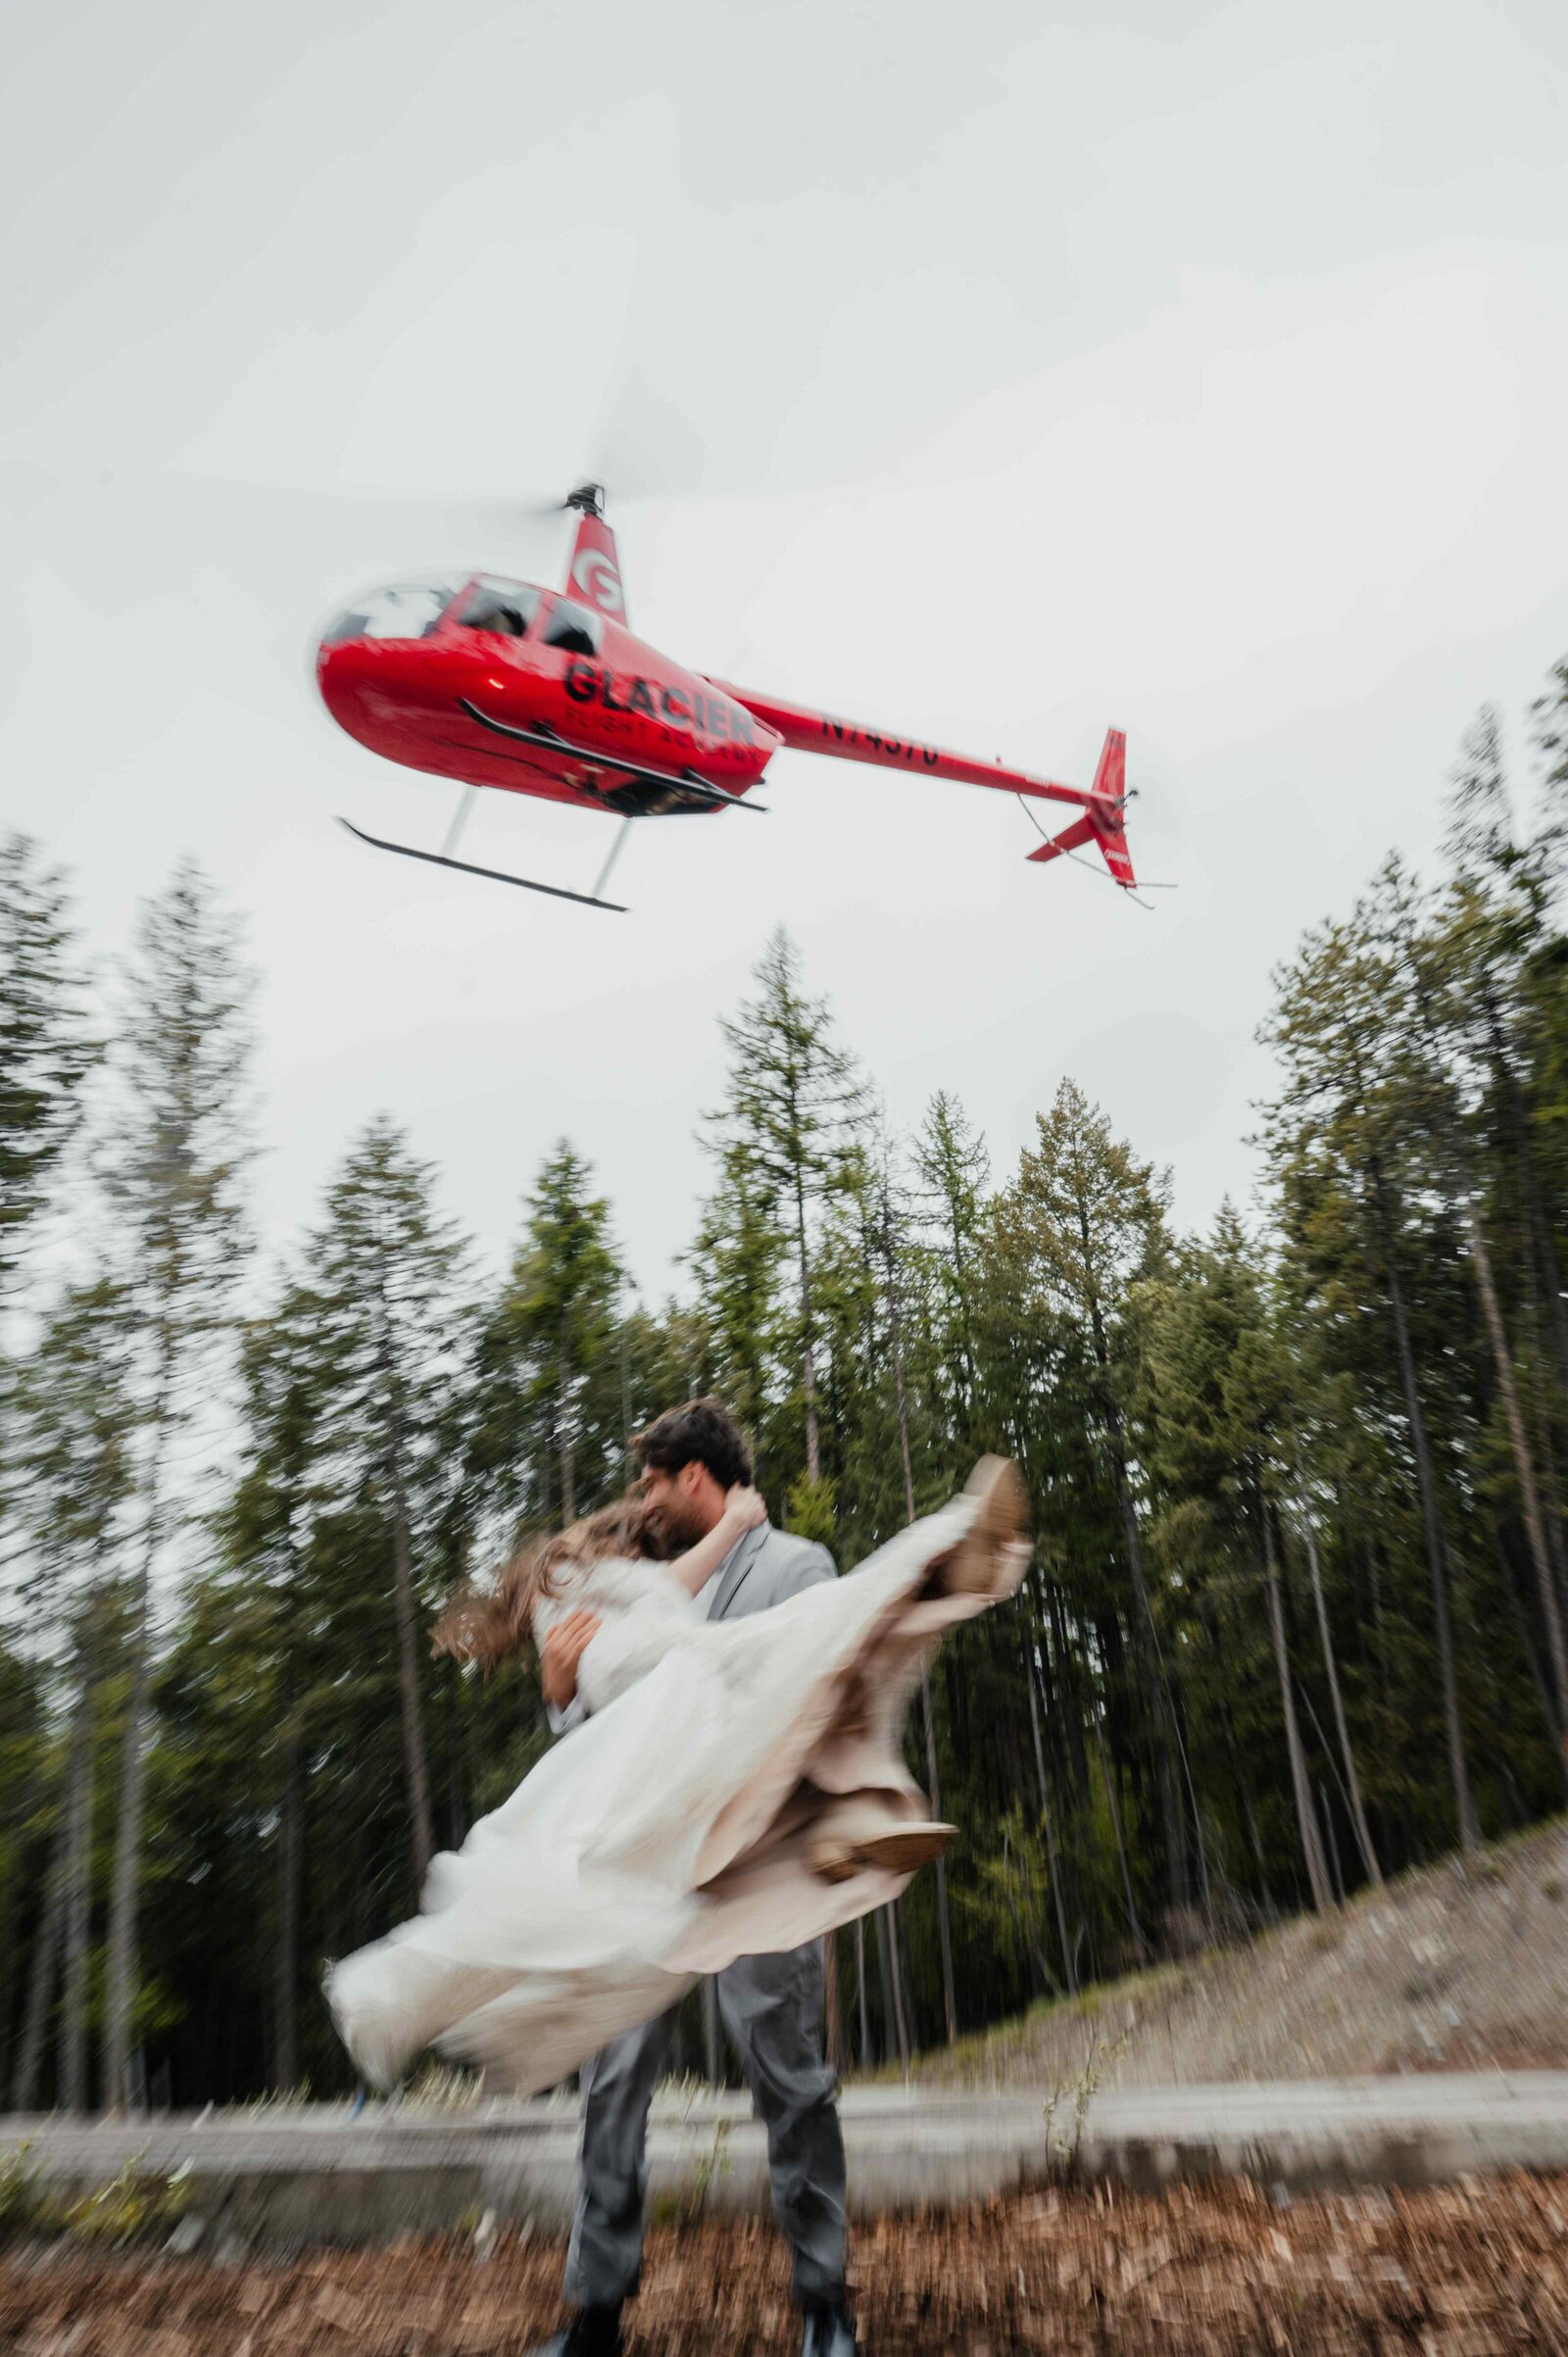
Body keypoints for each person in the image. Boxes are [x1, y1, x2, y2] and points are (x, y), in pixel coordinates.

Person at [325, 1400, 1026, 2357]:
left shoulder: (793, 1565)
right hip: (645, 1869)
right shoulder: (642, 1580)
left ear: (696, 1476)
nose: (643, 1498)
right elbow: (593, 1744)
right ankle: (597, 2312)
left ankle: (824, 2304)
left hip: (755, 1862)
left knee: (791, 2075)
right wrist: (559, 1694)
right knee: (611, 2077)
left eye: (655, 1480)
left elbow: (827, 1687)